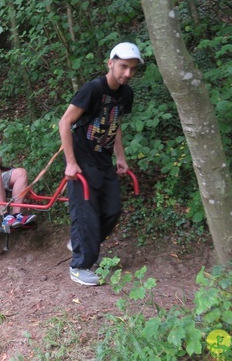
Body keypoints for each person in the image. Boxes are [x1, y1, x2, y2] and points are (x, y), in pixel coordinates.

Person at [58, 42, 143, 286]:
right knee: (86, 213)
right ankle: (79, 265)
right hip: (82, 158)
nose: (127, 73)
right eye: (123, 67)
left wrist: (121, 157)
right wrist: (71, 163)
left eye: (132, 69)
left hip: (103, 159)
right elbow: (65, 123)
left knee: (112, 209)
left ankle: (82, 244)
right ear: (111, 63)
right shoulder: (93, 89)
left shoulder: (126, 94)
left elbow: (115, 125)